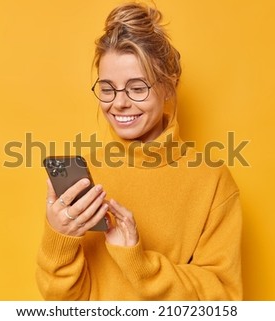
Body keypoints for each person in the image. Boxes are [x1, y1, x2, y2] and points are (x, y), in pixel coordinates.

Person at [36, 2, 242, 300]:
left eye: (137, 88)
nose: (119, 103)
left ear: (168, 88)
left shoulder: (212, 181)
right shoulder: (84, 177)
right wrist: (60, 240)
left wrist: (139, 262)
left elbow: (223, 300)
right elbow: (62, 304)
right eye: (107, 89)